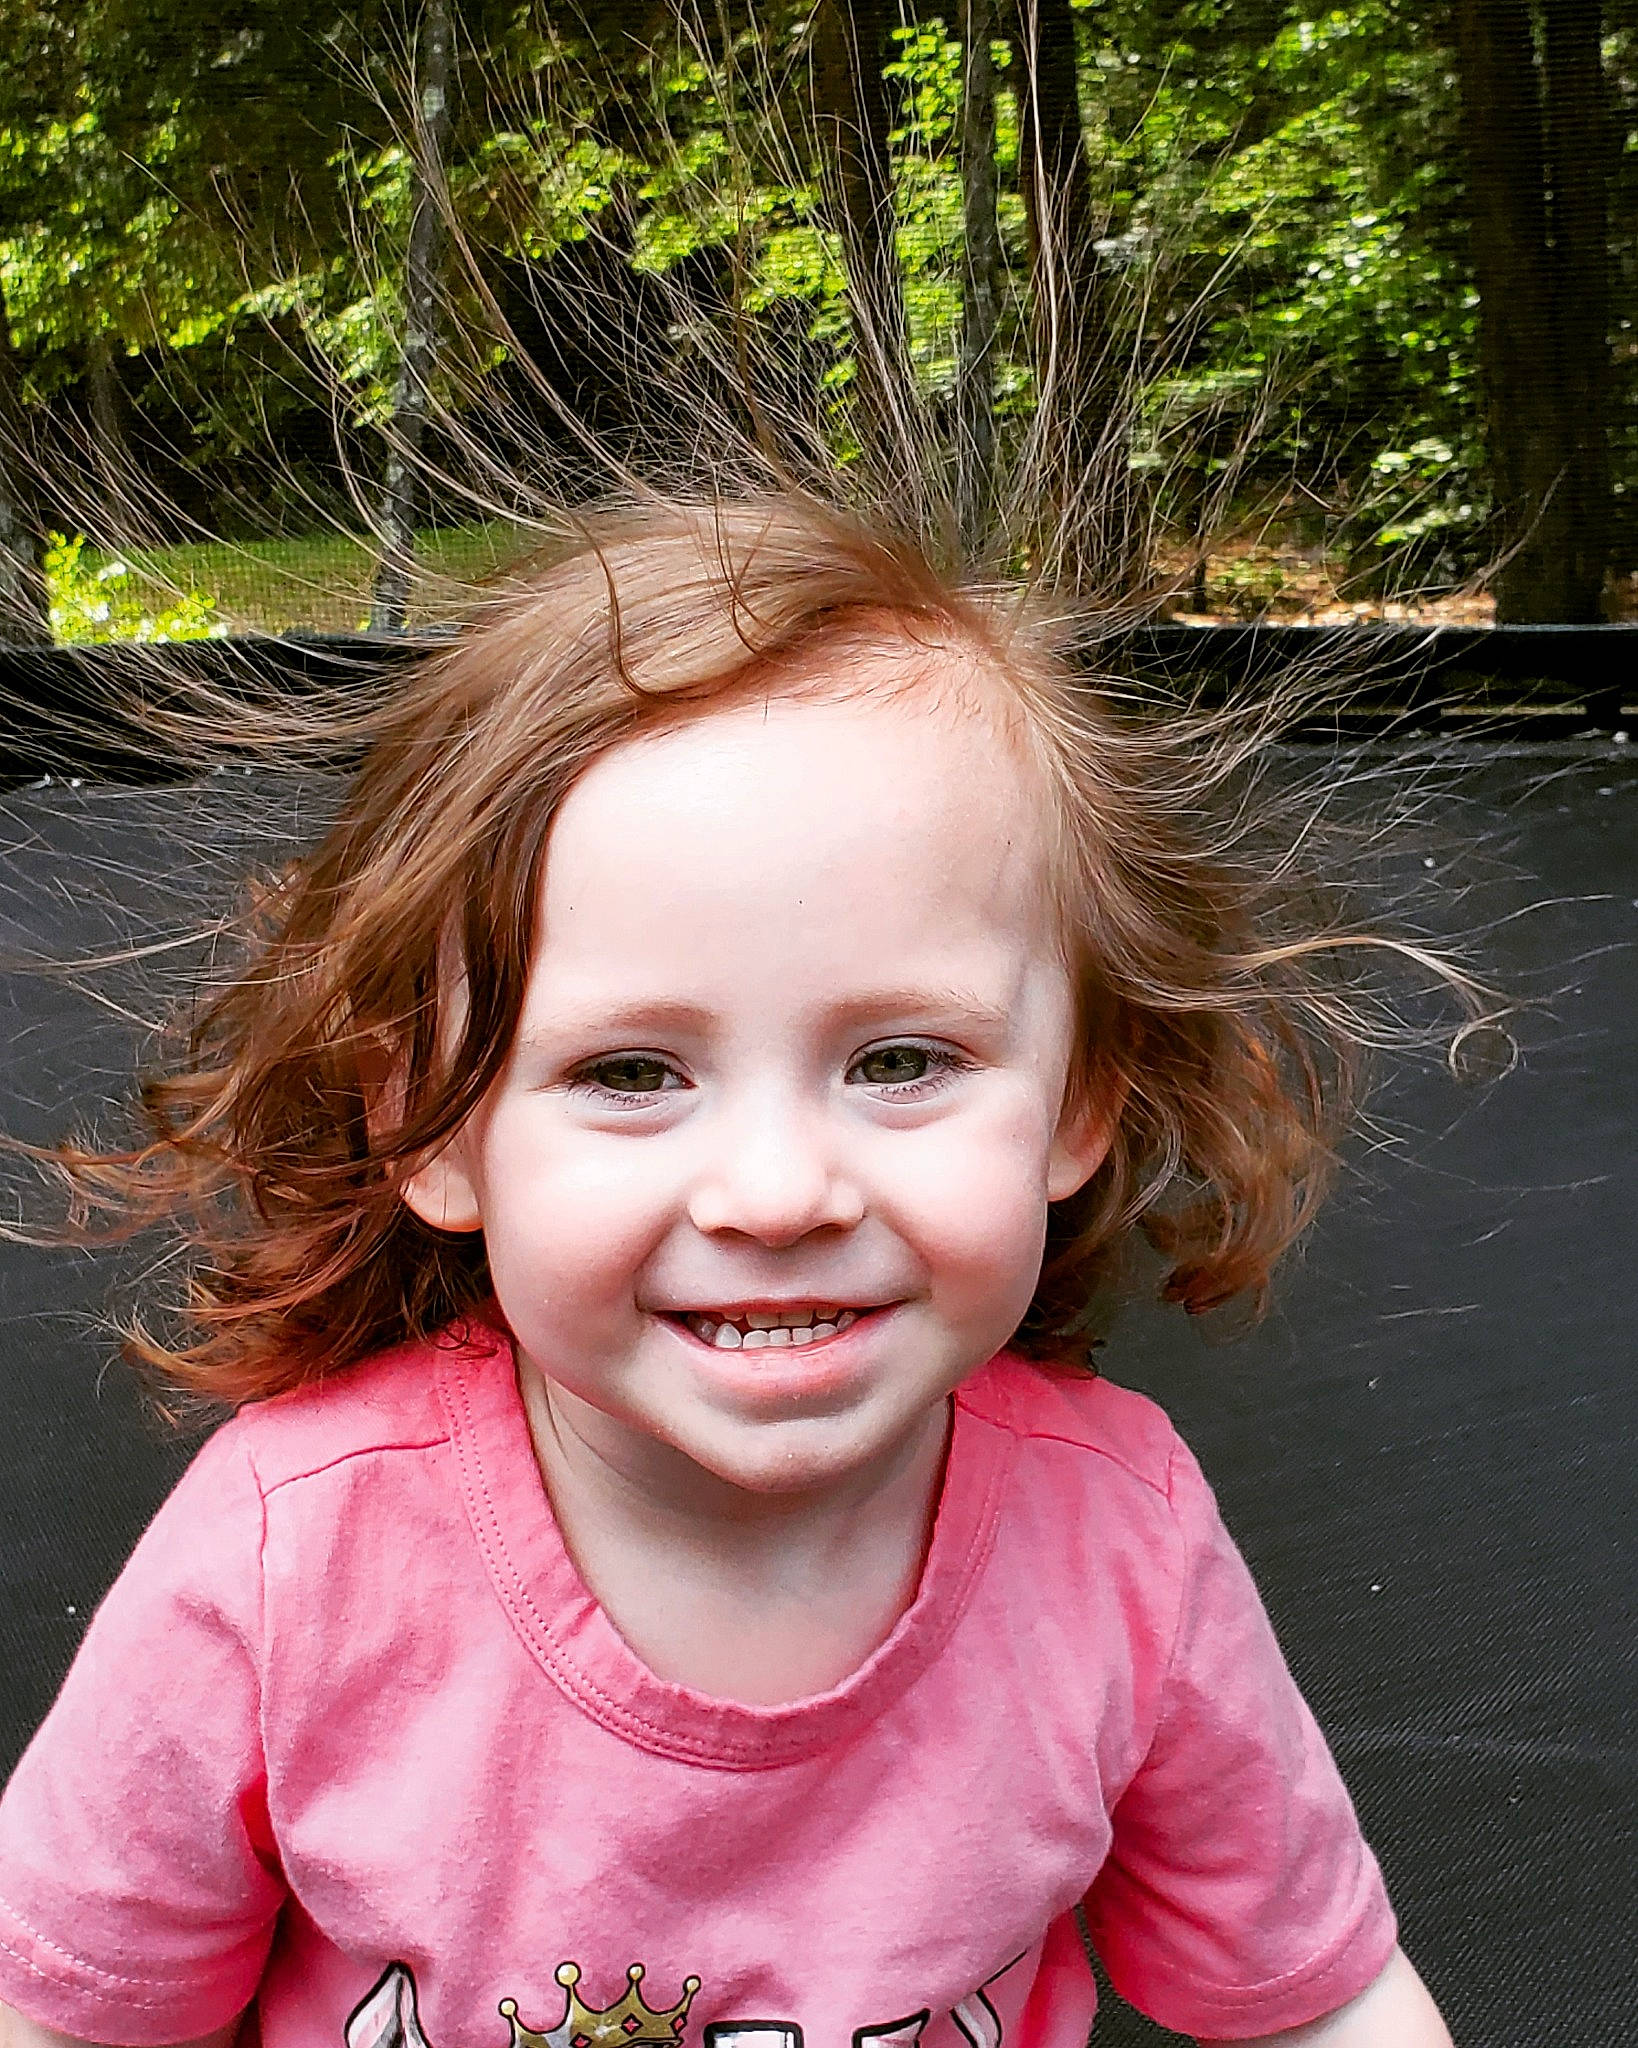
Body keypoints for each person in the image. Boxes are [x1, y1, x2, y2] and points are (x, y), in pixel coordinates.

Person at [0, 494, 1459, 2048]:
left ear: (1077, 1099)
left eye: (901, 1058)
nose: (776, 1193)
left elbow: (1323, 2004)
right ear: (429, 1126)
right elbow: (77, 2020)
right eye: (630, 1074)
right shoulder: (289, 1558)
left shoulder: (1119, 1539)